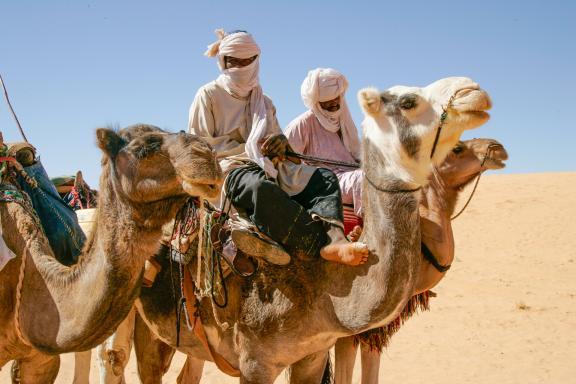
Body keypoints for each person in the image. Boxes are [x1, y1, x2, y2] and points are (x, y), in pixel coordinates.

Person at [188, 30, 368, 270]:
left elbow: (281, 146)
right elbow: (199, 146)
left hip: (268, 164)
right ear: (223, 63)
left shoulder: (265, 102)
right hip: (229, 169)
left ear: (256, 61)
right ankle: (316, 245)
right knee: (260, 187)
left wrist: (281, 143)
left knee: (324, 178)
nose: (241, 67)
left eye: (247, 61)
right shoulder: (208, 96)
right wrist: (247, 151)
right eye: (235, 62)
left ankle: (336, 240)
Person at [285, 68, 364, 240]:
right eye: (328, 101)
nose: (335, 104)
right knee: (363, 179)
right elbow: (287, 165)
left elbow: (357, 153)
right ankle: (370, 230)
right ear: (316, 102)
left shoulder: (344, 117)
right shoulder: (301, 125)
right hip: (326, 182)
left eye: (337, 98)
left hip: (351, 173)